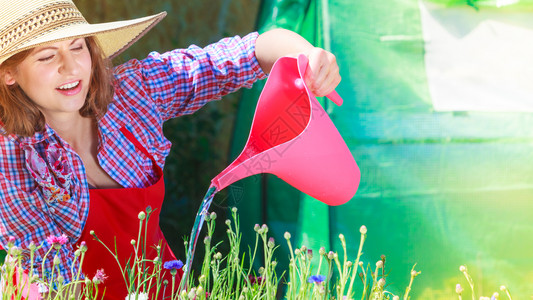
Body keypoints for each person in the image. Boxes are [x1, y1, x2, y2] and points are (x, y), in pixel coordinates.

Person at [0, 0, 341, 299]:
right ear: (9, 73)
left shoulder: (133, 95)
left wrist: (305, 55)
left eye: (77, 47)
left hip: (158, 287)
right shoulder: (8, 157)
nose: (71, 67)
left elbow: (239, 56)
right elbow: (55, 279)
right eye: (47, 56)